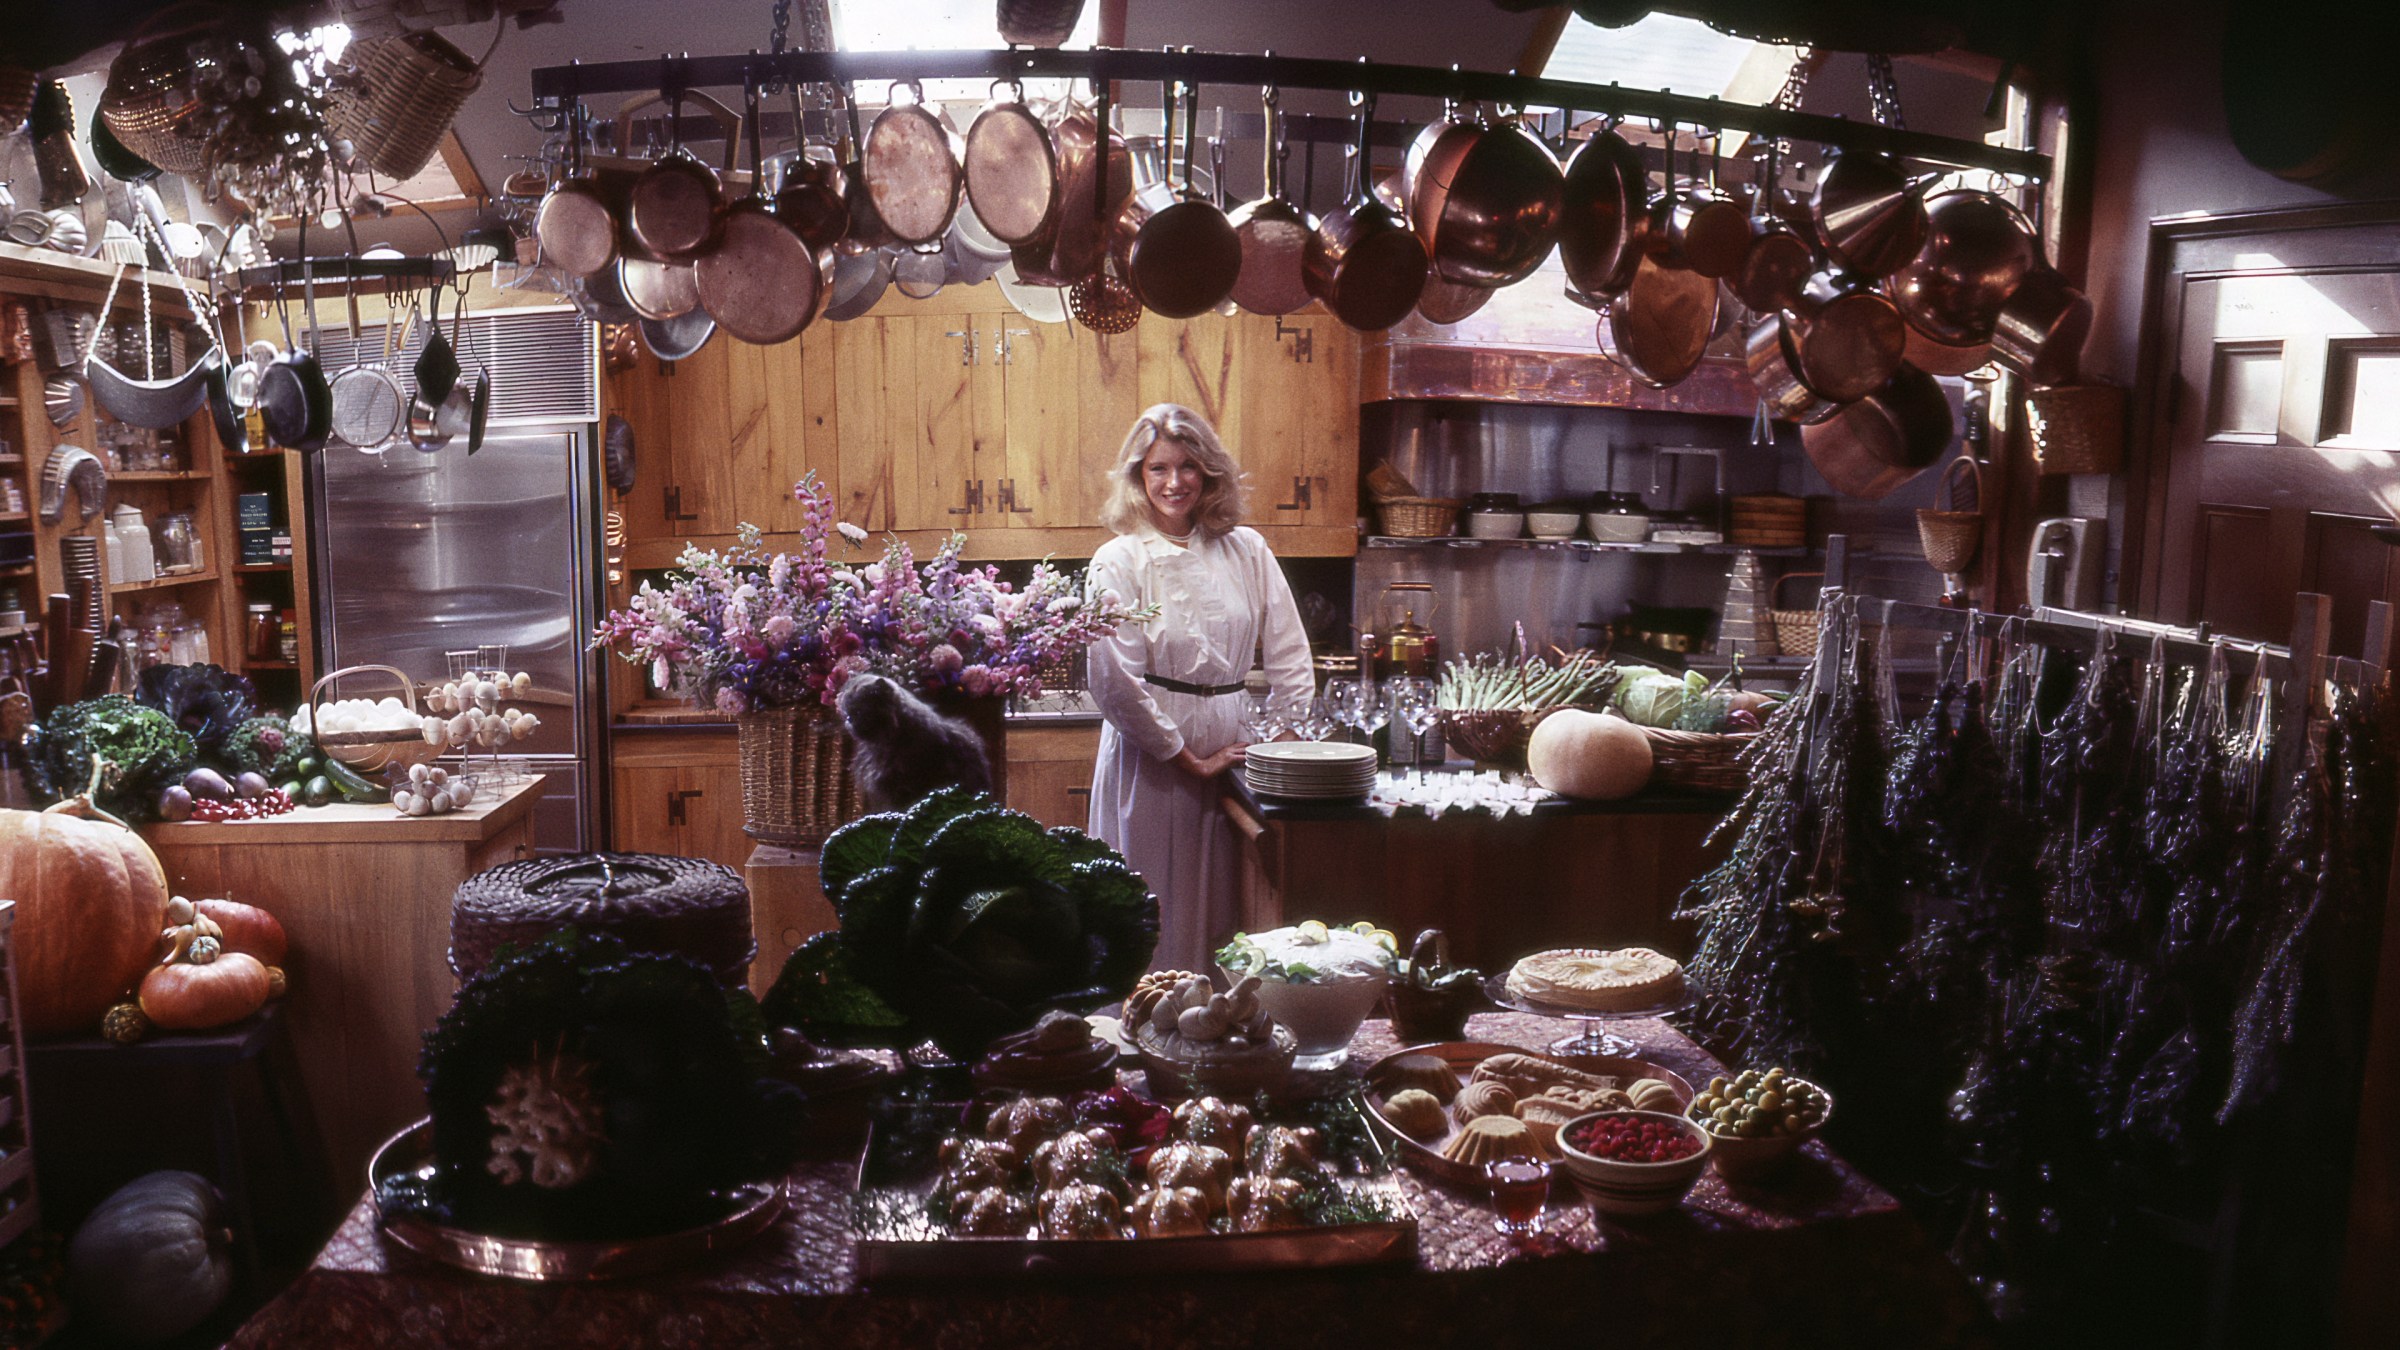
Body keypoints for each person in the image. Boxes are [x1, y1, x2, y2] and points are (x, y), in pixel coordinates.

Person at [1085, 404, 1315, 973]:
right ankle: (1145, 1037)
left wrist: (1282, 742)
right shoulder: (1118, 560)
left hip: (1238, 752)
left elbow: (1289, 652)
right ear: (1138, 476)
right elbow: (1112, 677)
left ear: (1209, 473)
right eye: (1158, 468)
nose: (1174, 482)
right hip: (1154, 757)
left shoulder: (1247, 550)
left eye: (1188, 466)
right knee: (1153, 903)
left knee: (1233, 909)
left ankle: (1226, 1040)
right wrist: (1186, 757)